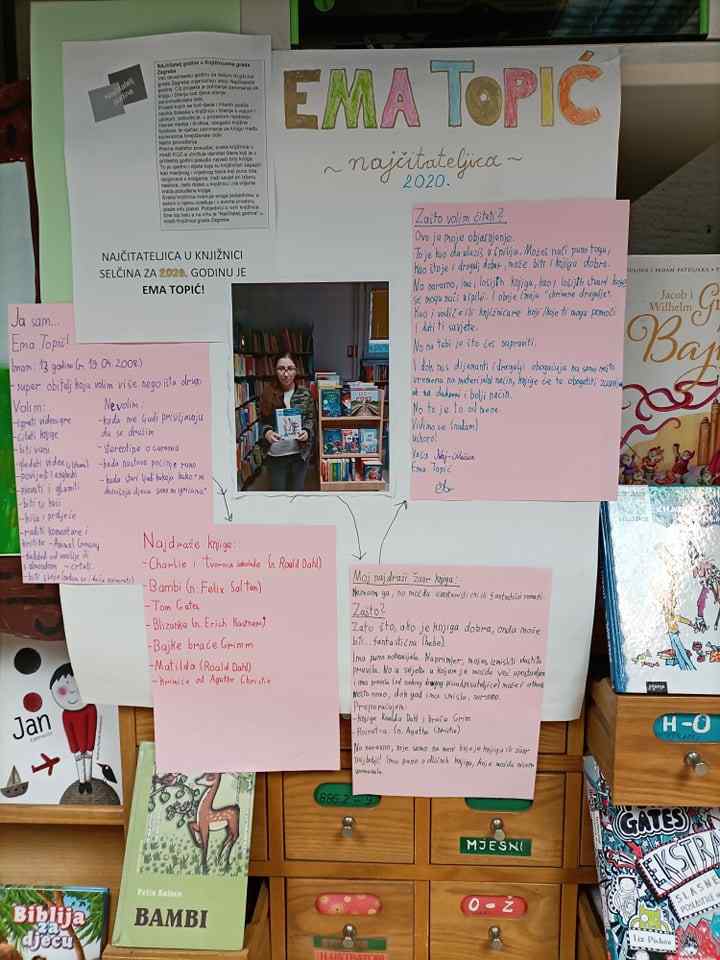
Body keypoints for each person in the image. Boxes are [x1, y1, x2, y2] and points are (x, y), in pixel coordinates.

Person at [259, 352, 315, 491]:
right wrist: (267, 433)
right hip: (276, 454)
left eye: (290, 368)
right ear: (275, 370)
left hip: (299, 455)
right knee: (279, 496)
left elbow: (310, 419)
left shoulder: (304, 393)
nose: (285, 374)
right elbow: (263, 420)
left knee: (297, 495)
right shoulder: (267, 393)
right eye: (281, 369)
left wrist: (306, 432)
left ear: (296, 370)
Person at [49, 662, 97, 793]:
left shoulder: (90, 708)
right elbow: (69, 733)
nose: (72, 693)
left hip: (88, 746)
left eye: (79, 688)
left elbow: (92, 728)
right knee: (79, 762)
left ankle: (88, 781)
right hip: (77, 748)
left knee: (88, 761)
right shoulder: (66, 714)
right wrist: (74, 749)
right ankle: (82, 782)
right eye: (63, 691)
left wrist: (90, 747)